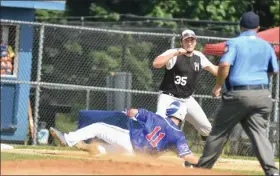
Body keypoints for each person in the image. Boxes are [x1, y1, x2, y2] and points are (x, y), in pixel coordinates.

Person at [195, 11, 279, 176]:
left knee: (219, 132)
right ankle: (273, 172)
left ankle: (201, 170)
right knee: (259, 135)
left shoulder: (235, 43)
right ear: (258, 28)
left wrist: (218, 85)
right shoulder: (266, 45)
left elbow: (225, 64)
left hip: (239, 95)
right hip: (262, 95)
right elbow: (273, 70)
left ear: (240, 26)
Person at [50, 101, 199, 165]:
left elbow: (132, 112)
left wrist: (128, 112)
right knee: (106, 151)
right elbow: (188, 156)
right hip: (138, 157)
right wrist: (205, 162)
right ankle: (91, 148)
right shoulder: (178, 136)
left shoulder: (156, 118)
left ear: (169, 111)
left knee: (98, 127)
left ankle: (68, 139)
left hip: (130, 141)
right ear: (182, 115)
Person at [152, 29, 218, 142]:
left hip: (187, 100)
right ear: (181, 42)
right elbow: (156, 64)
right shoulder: (174, 52)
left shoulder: (198, 56)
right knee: (160, 125)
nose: (189, 43)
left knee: (207, 129)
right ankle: (149, 149)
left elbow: (216, 71)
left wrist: (230, 66)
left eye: (192, 40)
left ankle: (209, 154)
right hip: (168, 97)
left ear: (195, 42)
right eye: (186, 40)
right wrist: (175, 53)